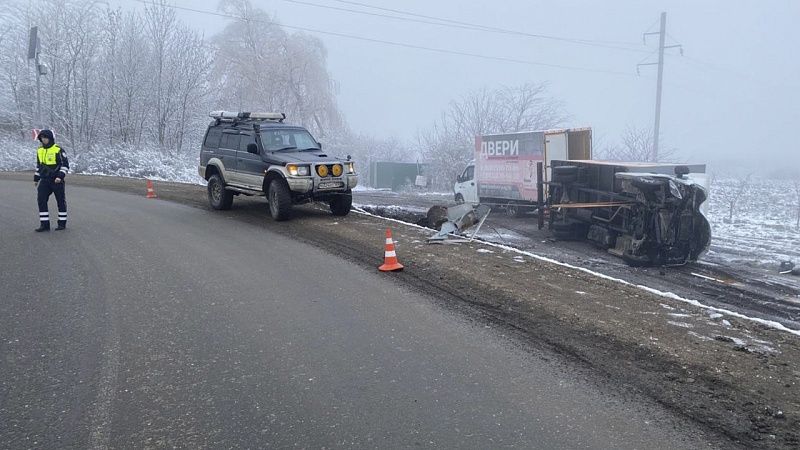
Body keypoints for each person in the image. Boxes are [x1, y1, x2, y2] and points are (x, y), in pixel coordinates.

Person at [34, 129, 69, 232]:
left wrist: (60, 176)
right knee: (41, 200)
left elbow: (65, 165)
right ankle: (44, 225)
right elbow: (38, 166)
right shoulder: (39, 150)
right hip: (44, 180)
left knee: (60, 202)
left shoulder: (58, 149)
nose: (43, 140)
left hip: (56, 180)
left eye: (45, 138)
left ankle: (62, 223)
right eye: (42, 138)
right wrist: (36, 178)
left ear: (50, 138)